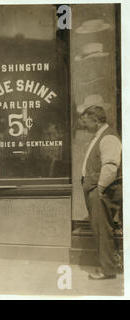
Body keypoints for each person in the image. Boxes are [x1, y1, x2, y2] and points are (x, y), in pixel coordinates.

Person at [78, 103, 122, 280]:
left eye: (86, 122)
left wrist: (100, 190)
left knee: (102, 230)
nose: (84, 125)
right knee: (100, 230)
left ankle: (108, 270)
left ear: (96, 121)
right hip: (96, 189)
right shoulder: (100, 135)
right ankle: (108, 266)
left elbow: (110, 166)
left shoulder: (108, 137)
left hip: (100, 191)